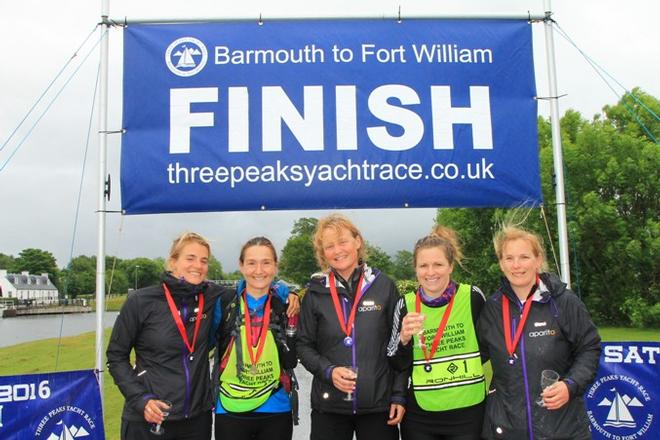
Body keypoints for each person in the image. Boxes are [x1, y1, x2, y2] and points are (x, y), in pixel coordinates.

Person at [477, 225, 601, 439]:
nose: (516, 265)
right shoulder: (493, 308)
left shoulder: (563, 301)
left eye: (524, 257)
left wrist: (570, 385)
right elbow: (473, 355)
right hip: (508, 429)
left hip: (562, 427)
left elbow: (589, 348)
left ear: (538, 259)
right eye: (509, 258)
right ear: (501, 263)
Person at [107, 232, 229, 440]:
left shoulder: (211, 296)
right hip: (150, 418)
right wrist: (141, 400)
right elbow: (116, 357)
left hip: (196, 420)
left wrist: (285, 292)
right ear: (173, 261)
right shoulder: (141, 301)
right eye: (190, 258)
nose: (198, 266)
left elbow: (253, 287)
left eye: (203, 261)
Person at [297, 213, 406, 440]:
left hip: (378, 406)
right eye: (329, 246)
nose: (338, 250)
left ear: (357, 242)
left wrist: (398, 396)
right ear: (323, 253)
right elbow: (303, 345)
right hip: (329, 408)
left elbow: (399, 345)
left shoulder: (383, 286)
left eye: (343, 241)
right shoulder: (315, 293)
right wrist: (329, 371)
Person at [388, 226, 487, 440]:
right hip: (421, 415)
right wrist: (404, 339)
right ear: (415, 269)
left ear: (451, 266)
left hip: (469, 410)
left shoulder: (472, 297)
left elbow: (491, 349)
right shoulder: (405, 304)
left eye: (438, 265)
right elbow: (395, 362)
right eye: (423, 266)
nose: (430, 272)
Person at [212, 236, 298, 440]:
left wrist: (294, 294)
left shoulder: (285, 302)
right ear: (241, 266)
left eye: (266, 262)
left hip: (276, 406)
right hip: (230, 407)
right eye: (251, 263)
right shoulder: (224, 303)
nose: (259, 270)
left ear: (276, 267)